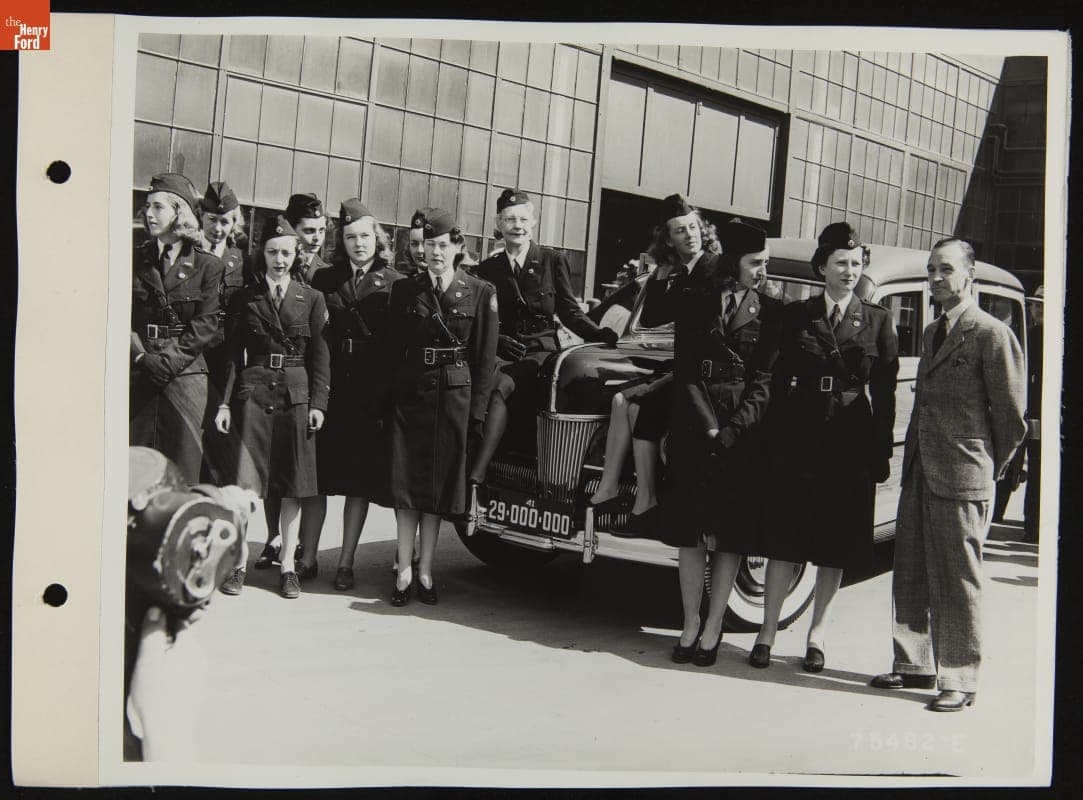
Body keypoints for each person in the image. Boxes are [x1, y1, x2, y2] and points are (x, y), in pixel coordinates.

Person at [870, 237, 1026, 711]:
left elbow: (1011, 417)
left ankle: (960, 677)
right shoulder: (934, 330)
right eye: (931, 270)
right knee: (911, 568)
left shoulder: (991, 333)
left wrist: (983, 466)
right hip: (921, 468)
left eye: (946, 270)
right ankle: (914, 662)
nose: (936, 278)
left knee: (958, 579)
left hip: (964, 474)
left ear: (969, 276)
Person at [754, 222, 899, 673]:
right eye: (841, 263)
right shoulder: (796, 316)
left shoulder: (877, 320)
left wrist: (881, 452)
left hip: (850, 441)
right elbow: (776, 384)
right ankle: (767, 631)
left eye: (856, 264)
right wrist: (771, 442)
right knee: (785, 538)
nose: (849, 271)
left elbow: (887, 393)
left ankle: (817, 635)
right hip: (800, 436)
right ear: (822, 268)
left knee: (835, 543)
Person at [661, 219, 781, 666]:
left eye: (764, 263)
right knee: (691, 532)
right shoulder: (695, 303)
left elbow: (764, 381)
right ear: (734, 263)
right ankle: (690, 622)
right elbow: (685, 370)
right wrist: (707, 426)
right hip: (696, 425)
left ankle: (714, 626)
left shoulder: (769, 310)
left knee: (727, 534)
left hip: (740, 433)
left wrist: (730, 431)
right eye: (756, 263)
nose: (761, 271)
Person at [383, 209, 499, 606]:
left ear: (458, 248)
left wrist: (478, 413)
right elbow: (393, 350)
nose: (435, 252)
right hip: (411, 397)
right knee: (406, 488)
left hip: (453, 399)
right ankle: (403, 569)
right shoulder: (405, 291)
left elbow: (484, 360)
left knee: (435, 489)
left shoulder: (480, 291)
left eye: (442, 245)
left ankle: (427, 570)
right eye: (429, 245)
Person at [588, 194, 723, 530]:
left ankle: (643, 497)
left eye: (693, 227)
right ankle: (614, 488)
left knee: (634, 404)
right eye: (679, 231)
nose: (689, 234)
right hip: (670, 364)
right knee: (622, 400)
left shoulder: (714, 269)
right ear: (669, 238)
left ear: (702, 230)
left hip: (696, 370)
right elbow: (651, 320)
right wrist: (661, 279)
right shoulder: (673, 273)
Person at [215, 215, 331, 598]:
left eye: (286, 252)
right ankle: (238, 564)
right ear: (262, 254)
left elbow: (319, 355)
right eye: (272, 252)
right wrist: (225, 404)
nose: (279, 259)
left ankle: (287, 567)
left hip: (296, 398)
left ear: (297, 255)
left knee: (293, 484)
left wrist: (319, 403)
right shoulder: (245, 299)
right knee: (248, 484)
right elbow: (232, 354)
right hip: (254, 393)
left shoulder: (311, 298)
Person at [468, 189, 618, 487]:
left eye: (523, 218)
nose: (517, 225)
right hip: (502, 352)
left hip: (540, 351)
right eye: (510, 219)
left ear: (534, 222)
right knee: (485, 388)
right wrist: (497, 341)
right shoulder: (488, 269)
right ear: (498, 224)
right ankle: (474, 467)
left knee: (508, 389)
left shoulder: (551, 260)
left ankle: (482, 472)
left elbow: (570, 311)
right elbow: (480, 320)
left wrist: (600, 334)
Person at [310, 199, 405, 591]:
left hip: (370, 394)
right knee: (317, 478)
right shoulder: (323, 280)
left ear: (376, 238)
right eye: (350, 237)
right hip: (332, 387)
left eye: (365, 236)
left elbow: (398, 347)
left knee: (358, 483)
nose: (358, 243)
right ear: (342, 241)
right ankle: (307, 556)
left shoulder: (395, 282)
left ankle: (346, 561)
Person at [131, 172, 225, 484]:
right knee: (134, 474)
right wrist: (142, 358)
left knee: (182, 474)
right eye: (147, 206)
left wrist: (167, 362)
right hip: (139, 375)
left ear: (179, 212)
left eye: (158, 207)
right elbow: (119, 315)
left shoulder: (208, 266)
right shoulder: (132, 259)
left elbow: (205, 324)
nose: (149, 213)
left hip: (185, 380)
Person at [259, 192, 329, 576]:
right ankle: (274, 539)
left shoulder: (325, 275)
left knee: (306, 476)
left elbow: (321, 344)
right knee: (274, 470)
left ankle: (305, 553)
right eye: (307, 231)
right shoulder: (274, 258)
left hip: (308, 384)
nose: (314, 239)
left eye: (320, 231)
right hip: (271, 385)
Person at [197, 180, 249, 485]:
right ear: (201, 217)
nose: (218, 228)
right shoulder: (188, 254)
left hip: (224, 360)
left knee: (218, 436)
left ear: (234, 223)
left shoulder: (241, 261)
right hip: (192, 355)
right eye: (212, 220)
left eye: (225, 221)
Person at [394, 207, 431, 276]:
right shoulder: (402, 283)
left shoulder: (453, 283)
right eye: (414, 244)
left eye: (426, 243)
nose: (420, 250)